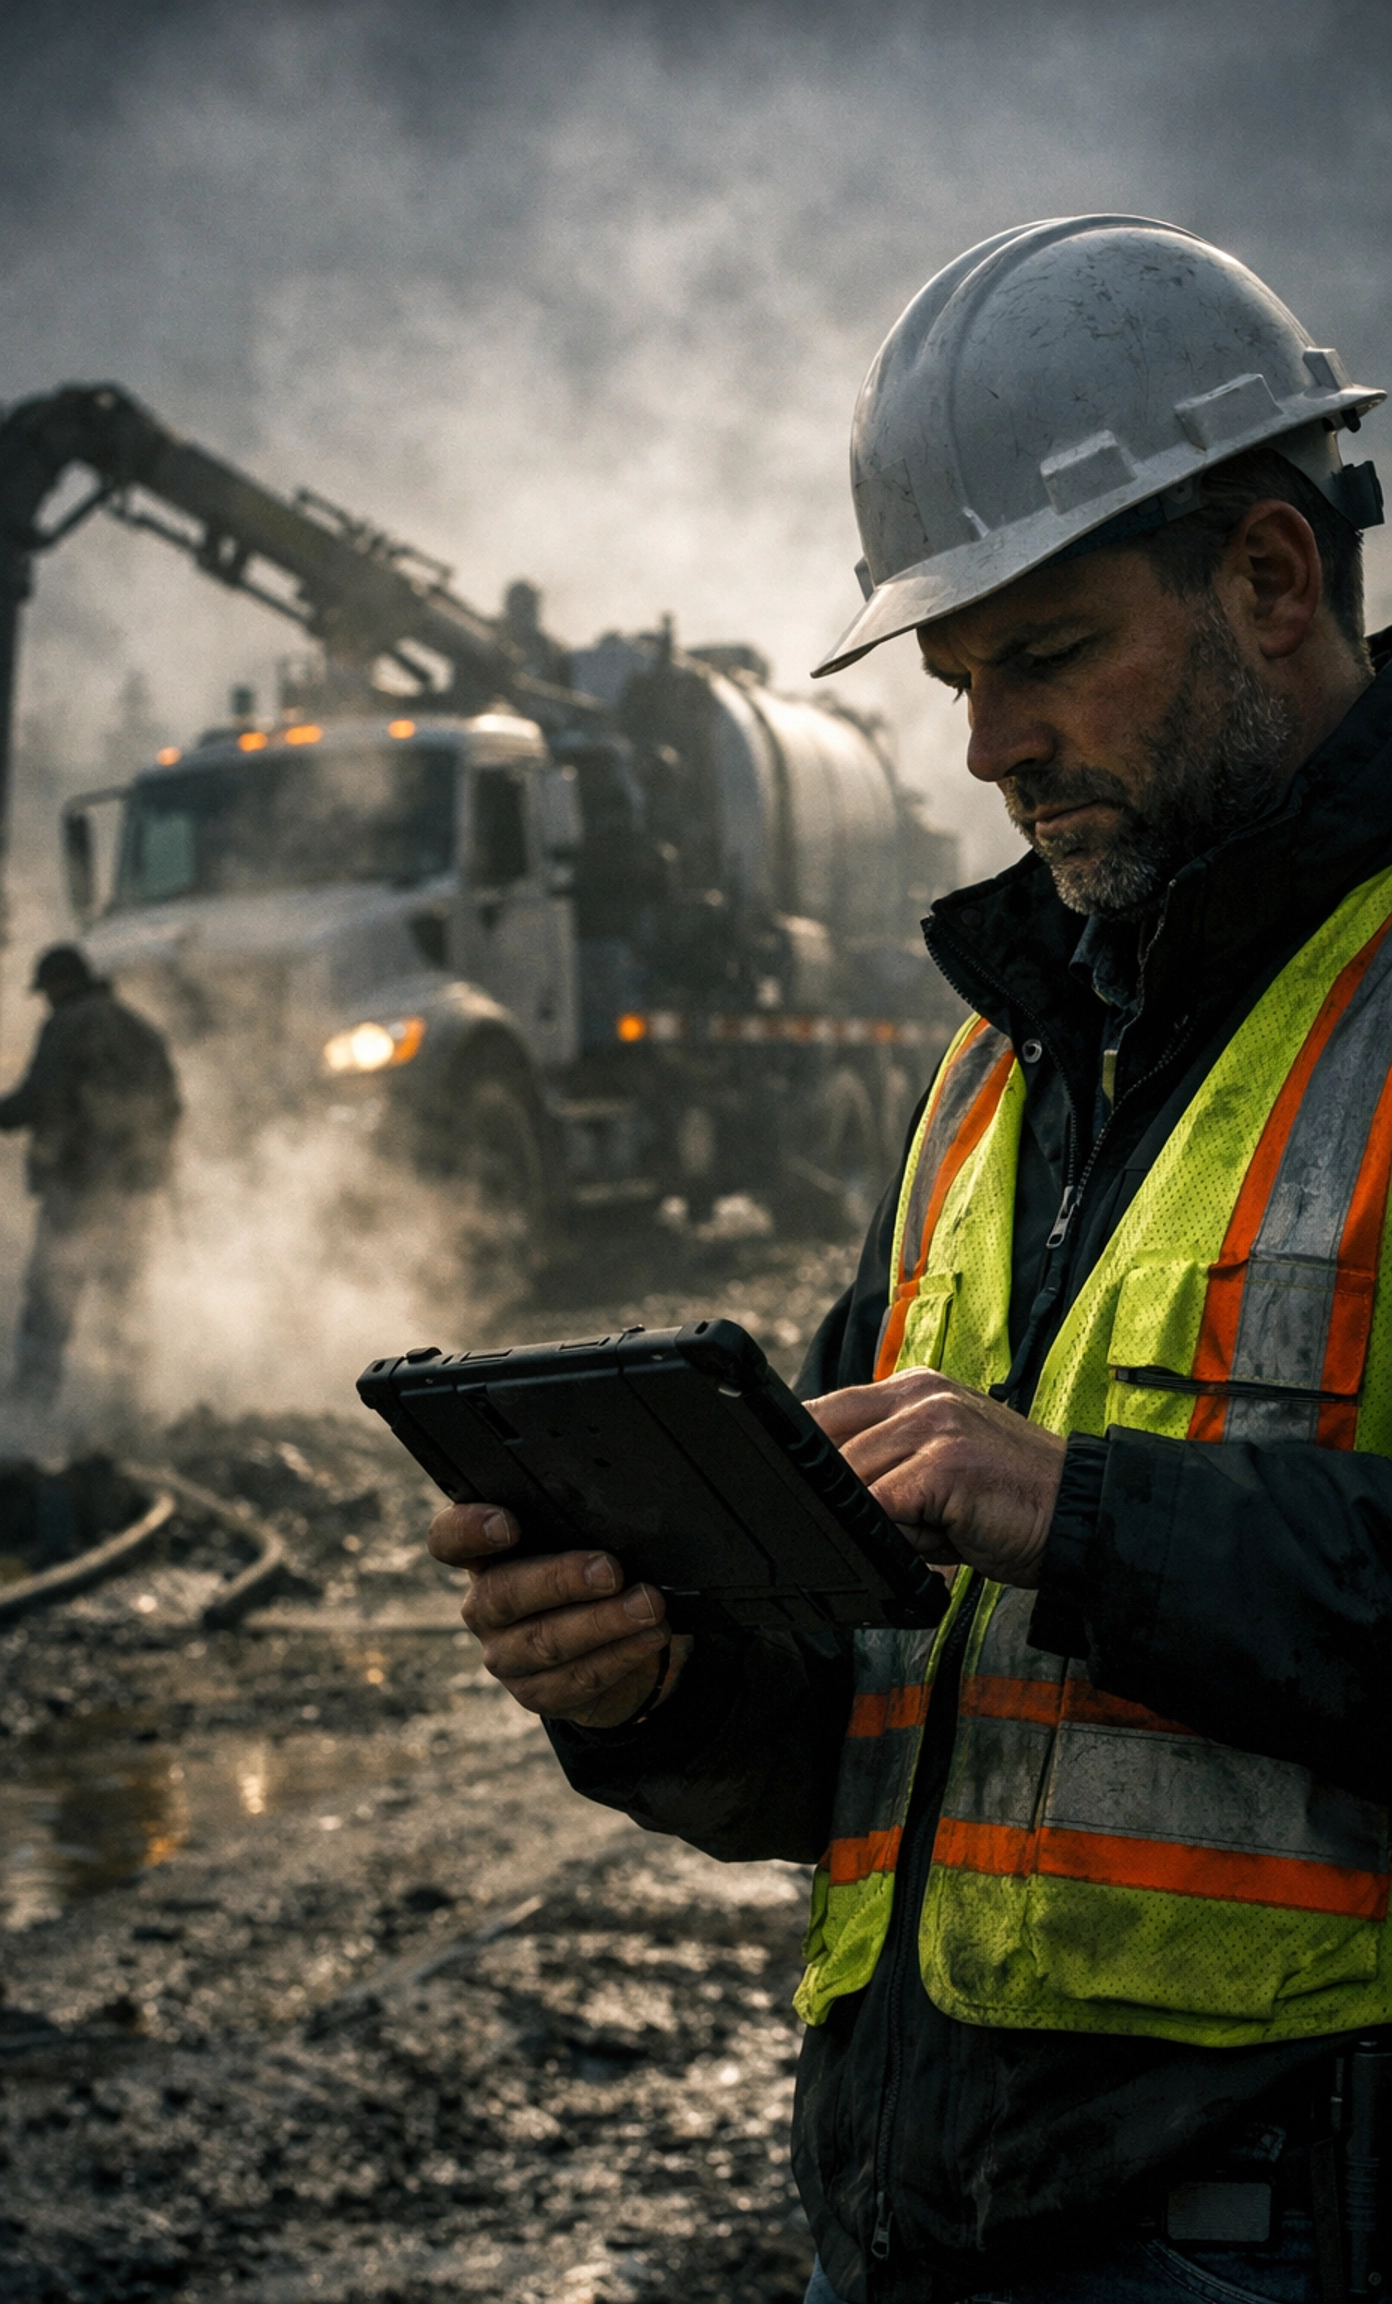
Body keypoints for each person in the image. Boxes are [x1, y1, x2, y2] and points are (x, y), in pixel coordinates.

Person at [427, 217, 1392, 2302]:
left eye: (1042, 658)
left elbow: (1065, 1554)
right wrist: (661, 1682)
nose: (983, 752)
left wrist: (1085, 1512)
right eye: (958, 684)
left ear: (1270, 580)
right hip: (915, 2214)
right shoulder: (996, 1061)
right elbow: (866, 1715)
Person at [0, 943, 180, 1401]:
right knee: (122, 1297)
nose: (45, 999)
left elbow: (43, 1095)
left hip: (76, 1187)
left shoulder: (67, 1025)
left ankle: (31, 1402)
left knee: (51, 1298)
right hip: (130, 1189)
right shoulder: (139, 1028)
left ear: (59, 983)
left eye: (46, 989)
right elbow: (170, 1106)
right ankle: (126, 1402)